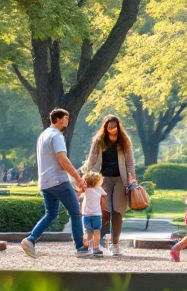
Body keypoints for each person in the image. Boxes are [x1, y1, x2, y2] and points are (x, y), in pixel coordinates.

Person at [21, 108, 92, 259]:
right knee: (75, 212)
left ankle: (30, 240)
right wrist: (78, 179)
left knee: (51, 214)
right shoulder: (57, 136)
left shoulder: (44, 135)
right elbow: (62, 160)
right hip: (58, 180)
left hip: (45, 182)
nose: (68, 121)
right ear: (59, 119)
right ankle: (81, 247)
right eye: (66, 118)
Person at [81, 114, 138, 257]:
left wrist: (132, 178)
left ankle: (115, 244)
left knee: (117, 211)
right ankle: (98, 242)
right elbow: (92, 159)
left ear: (118, 127)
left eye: (114, 127)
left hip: (120, 179)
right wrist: (83, 172)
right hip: (103, 178)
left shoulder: (124, 141)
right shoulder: (99, 141)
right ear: (105, 127)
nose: (112, 130)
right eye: (109, 127)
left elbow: (130, 163)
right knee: (104, 210)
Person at [80, 170, 107, 257]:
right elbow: (105, 194)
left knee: (88, 232)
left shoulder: (85, 189)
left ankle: (87, 247)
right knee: (97, 231)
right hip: (97, 214)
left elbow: (79, 195)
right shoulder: (99, 189)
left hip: (86, 214)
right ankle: (96, 248)